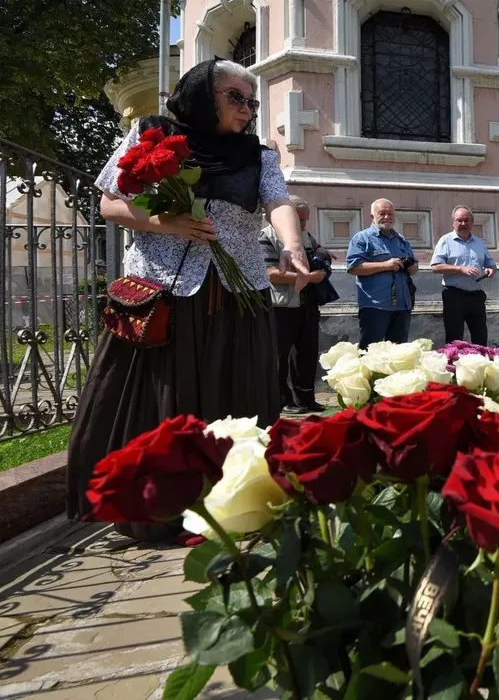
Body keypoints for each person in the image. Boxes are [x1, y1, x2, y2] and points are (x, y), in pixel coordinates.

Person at [67, 57, 309, 541]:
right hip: (166, 293)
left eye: (251, 101)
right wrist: (168, 222)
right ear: (202, 94)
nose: (246, 109)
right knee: (164, 398)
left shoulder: (257, 155)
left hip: (239, 295)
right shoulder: (150, 134)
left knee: (236, 398)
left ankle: (234, 505)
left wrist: (292, 244)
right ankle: (158, 508)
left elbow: (278, 201)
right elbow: (110, 202)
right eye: (235, 97)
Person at [261, 199, 328, 413]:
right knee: (279, 356)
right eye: (299, 219)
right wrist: (308, 277)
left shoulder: (306, 235)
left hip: (307, 302)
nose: (304, 224)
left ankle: (305, 398)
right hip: (281, 306)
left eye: (305, 219)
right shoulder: (265, 236)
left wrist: (322, 254)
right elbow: (270, 273)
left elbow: (318, 250)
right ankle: (282, 401)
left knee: (306, 353)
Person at [347, 199, 418, 348]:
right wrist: (385, 265)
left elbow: (414, 263)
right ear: (372, 216)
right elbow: (353, 267)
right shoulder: (362, 238)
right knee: (370, 352)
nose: (387, 217)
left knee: (399, 354)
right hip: (376, 307)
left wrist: (413, 268)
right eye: (382, 213)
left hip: (402, 306)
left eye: (390, 214)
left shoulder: (401, 240)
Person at [430, 205, 496, 345]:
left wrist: (490, 270)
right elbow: (435, 267)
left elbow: (491, 264)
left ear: (472, 223)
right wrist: (461, 269)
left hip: (476, 297)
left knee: (480, 339)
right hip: (454, 296)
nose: (463, 224)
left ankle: (479, 359)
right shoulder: (446, 241)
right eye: (459, 220)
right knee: (454, 340)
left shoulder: (479, 243)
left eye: (467, 220)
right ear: (453, 222)